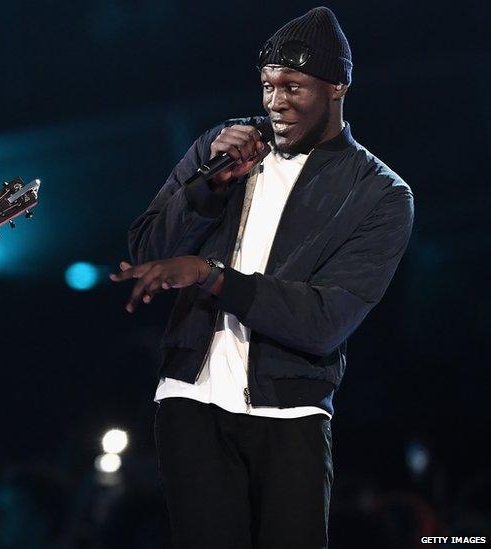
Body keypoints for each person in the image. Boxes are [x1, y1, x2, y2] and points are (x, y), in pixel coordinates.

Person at [110, 7, 414, 548]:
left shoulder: (380, 194)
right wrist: (206, 189)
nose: (275, 102)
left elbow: (324, 321)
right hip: (189, 400)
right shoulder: (223, 146)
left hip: (291, 412)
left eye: (294, 86)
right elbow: (147, 249)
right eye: (269, 85)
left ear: (338, 86)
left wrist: (213, 276)